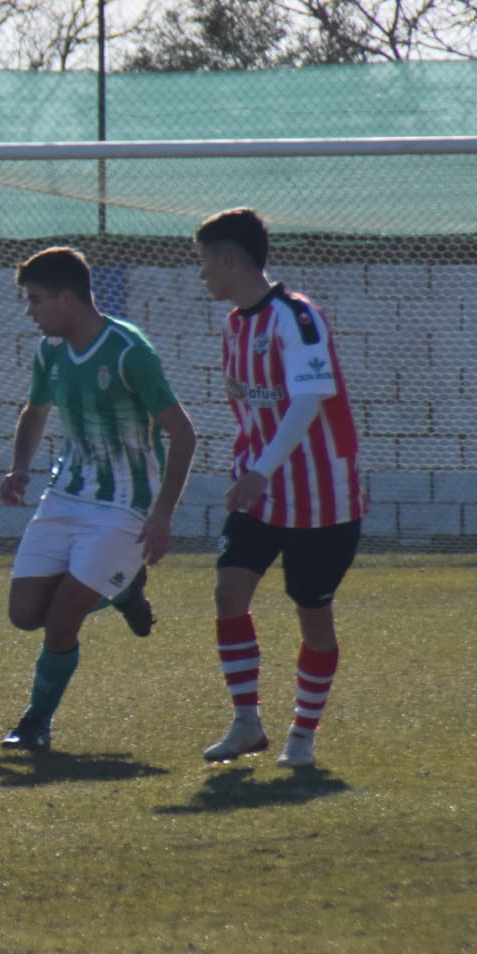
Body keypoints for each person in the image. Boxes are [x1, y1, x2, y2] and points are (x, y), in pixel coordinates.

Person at [0, 248, 196, 752]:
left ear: (66, 298)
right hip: (66, 494)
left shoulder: (129, 351)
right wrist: (20, 466)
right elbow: (34, 411)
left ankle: (35, 723)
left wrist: (163, 515)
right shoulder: (50, 351)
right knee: (24, 613)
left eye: (35, 300)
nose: (30, 311)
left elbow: (183, 434)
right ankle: (124, 589)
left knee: (63, 617)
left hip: (126, 505)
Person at [194, 208, 366, 769]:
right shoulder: (234, 326)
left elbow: (309, 401)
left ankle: (302, 735)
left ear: (228, 260)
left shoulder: (298, 319)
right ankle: (247, 722)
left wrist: (259, 468)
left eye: (205, 264)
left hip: (322, 497)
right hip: (260, 493)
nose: (202, 277)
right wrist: (253, 469)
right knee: (228, 595)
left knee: (313, 618)